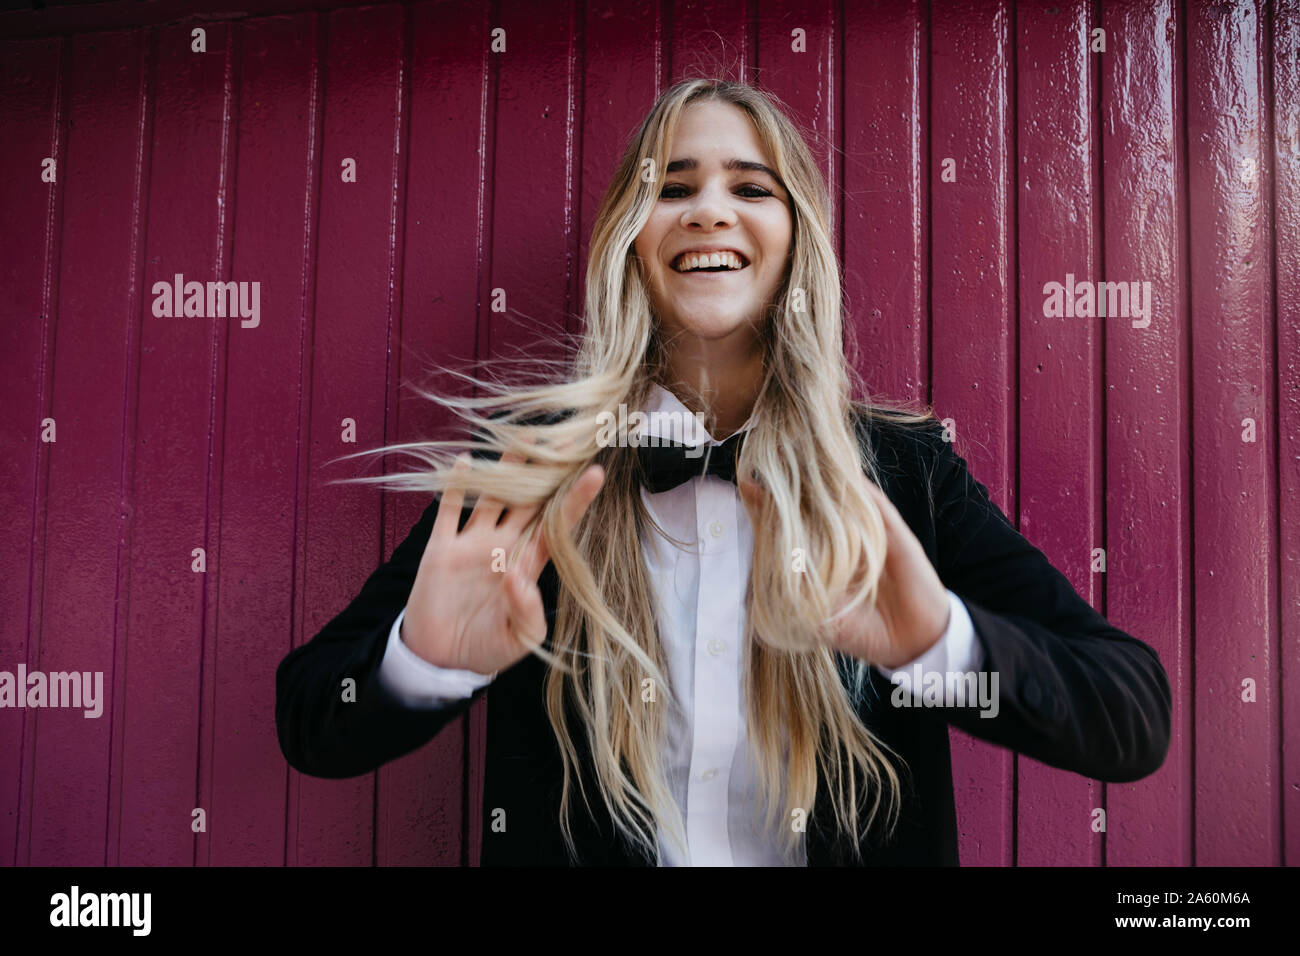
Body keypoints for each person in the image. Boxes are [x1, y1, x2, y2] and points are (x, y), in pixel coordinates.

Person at [275, 78, 1171, 867]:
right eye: (671, 188)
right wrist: (422, 664)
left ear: (796, 239)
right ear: (629, 239)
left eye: (750, 186)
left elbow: (1132, 714)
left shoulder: (904, 475)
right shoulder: (529, 469)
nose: (709, 210)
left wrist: (940, 649)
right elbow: (313, 717)